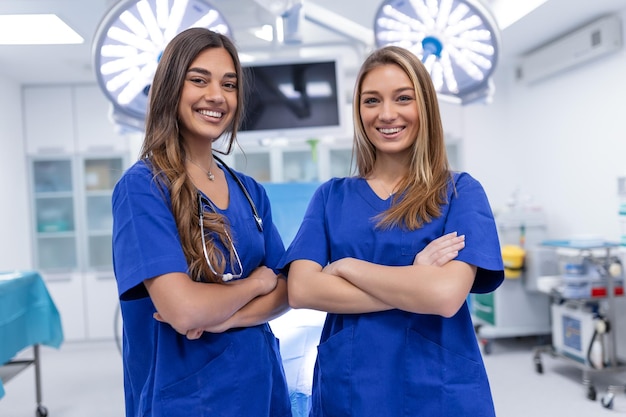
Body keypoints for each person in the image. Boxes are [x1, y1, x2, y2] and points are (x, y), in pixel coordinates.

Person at [279, 45, 505, 417]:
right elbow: (302, 289)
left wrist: (349, 267)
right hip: (352, 390)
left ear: (426, 108)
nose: (386, 114)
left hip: (439, 392)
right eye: (372, 101)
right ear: (359, 111)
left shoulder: (460, 192)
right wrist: (416, 282)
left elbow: (446, 296)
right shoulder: (331, 197)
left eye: (403, 98)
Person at [112, 28, 292, 417]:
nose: (217, 95)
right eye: (199, 80)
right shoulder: (143, 188)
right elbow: (184, 311)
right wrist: (257, 283)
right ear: (170, 89)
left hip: (261, 391)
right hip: (187, 399)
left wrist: (227, 317)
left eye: (229, 84)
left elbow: (286, 291)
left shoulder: (250, 192)